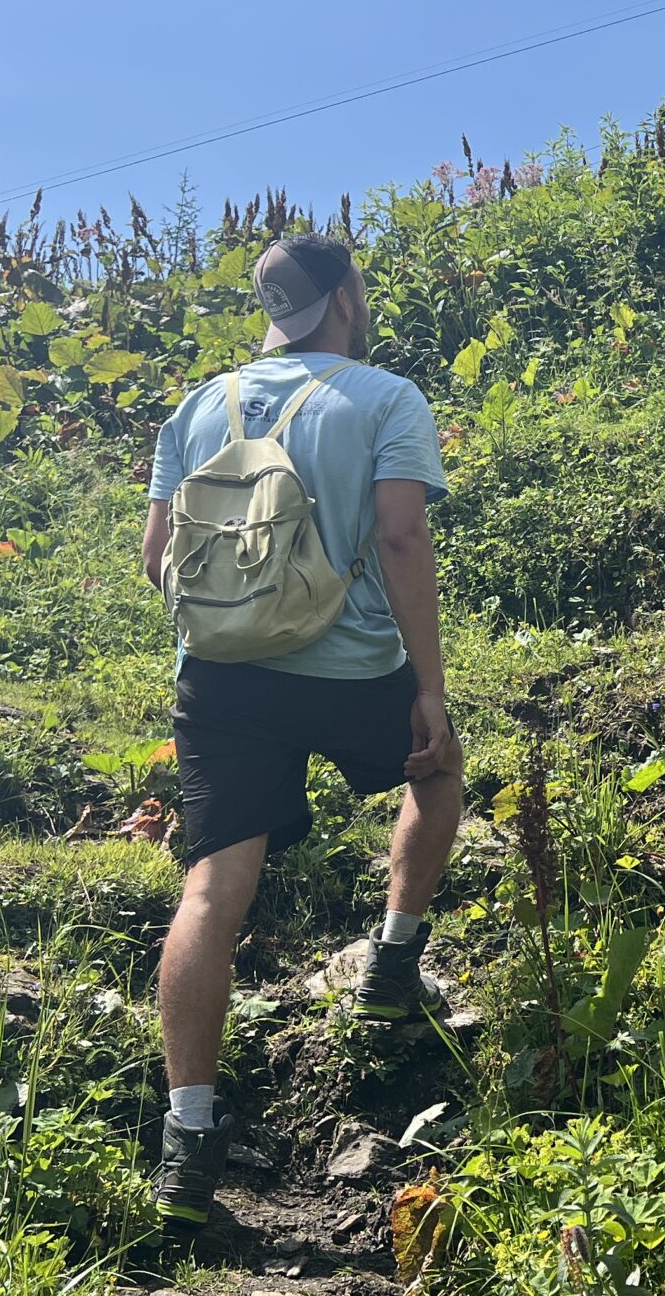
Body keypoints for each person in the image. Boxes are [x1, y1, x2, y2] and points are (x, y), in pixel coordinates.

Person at [139, 231, 463, 1229]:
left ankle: (187, 1142)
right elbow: (402, 535)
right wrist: (430, 690)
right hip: (353, 666)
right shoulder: (383, 397)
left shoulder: (203, 404)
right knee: (437, 772)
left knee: (211, 889)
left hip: (225, 680)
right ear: (342, 298)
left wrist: (244, 615)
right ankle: (393, 957)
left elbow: (156, 559)